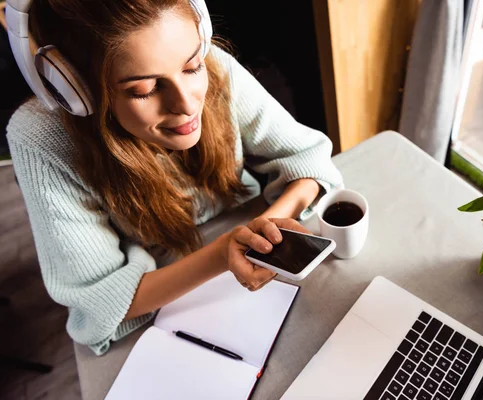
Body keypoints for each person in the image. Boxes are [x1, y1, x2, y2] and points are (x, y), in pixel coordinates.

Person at [5, 0, 343, 356]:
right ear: (79, 91)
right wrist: (223, 253)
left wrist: (267, 227)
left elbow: (307, 158)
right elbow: (97, 301)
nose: (186, 103)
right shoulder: (40, 139)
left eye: (193, 66)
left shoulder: (210, 62)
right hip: (166, 298)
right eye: (144, 90)